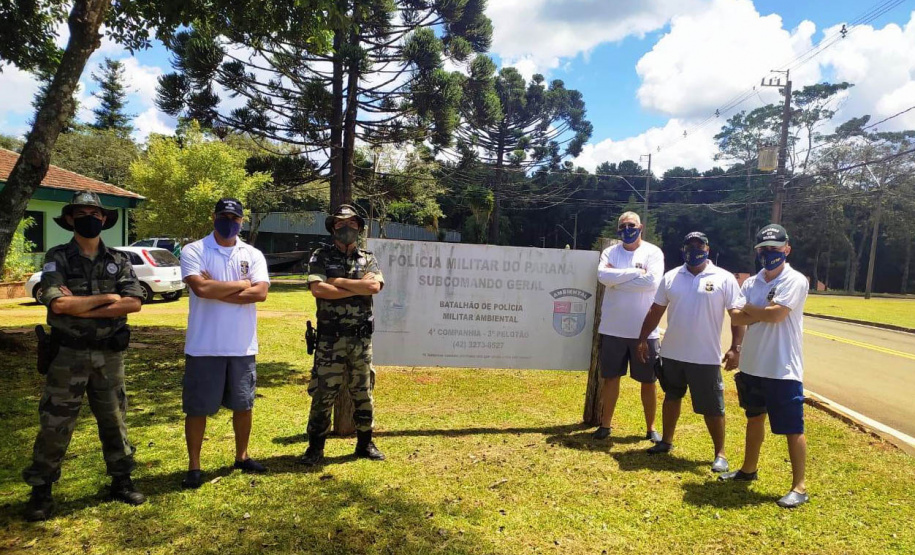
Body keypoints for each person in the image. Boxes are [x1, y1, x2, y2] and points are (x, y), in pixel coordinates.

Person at [23, 191, 145, 521]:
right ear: (71, 219)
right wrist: (108, 297)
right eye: (82, 213)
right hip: (67, 356)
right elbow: (56, 304)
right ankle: (41, 490)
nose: (89, 217)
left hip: (109, 356)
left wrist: (82, 307)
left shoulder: (119, 259)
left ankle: (121, 480)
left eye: (95, 212)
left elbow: (134, 302)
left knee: (115, 420)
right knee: (55, 424)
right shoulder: (57, 257)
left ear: (104, 219)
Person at [179, 198, 270, 489]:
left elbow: (261, 293)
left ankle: (241, 456)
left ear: (242, 221)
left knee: (244, 405)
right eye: (224, 216)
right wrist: (243, 284)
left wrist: (216, 288)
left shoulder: (252, 254)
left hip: (242, 346)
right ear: (214, 217)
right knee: (197, 409)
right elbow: (200, 287)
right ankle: (195, 466)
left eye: (234, 217)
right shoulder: (195, 249)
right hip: (204, 346)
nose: (229, 221)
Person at [636, 231, 744, 473]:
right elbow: (656, 310)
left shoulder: (724, 278)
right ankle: (666, 441)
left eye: (699, 246)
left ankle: (720, 454)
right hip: (673, 354)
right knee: (671, 397)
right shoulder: (672, 277)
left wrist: (736, 348)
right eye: (690, 246)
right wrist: (642, 338)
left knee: (713, 407)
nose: (694, 250)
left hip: (705, 357)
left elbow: (736, 316)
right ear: (683, 250)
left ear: (708, 248)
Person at [719, 224, 810, 509]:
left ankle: (799, 486)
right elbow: (736, 317)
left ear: (787, 249)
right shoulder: (752, 282)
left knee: (792, 427)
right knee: (754, 417)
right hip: (753, 365)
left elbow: (777, 315)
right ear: (757, 252)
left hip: (782, 367)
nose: (769, 254)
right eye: (763, 249)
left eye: (775, 248)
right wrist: (760, 314)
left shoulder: (795, 280)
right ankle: (748, 469)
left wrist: (753, 312)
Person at [301, 205, 385, 465]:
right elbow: (318, 290)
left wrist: (337, 281)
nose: (346, 228)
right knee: (324, 394)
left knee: (363, 391)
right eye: (339, 224)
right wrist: (358, 288)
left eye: (351, 224)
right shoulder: (321, 256)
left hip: (361, 340)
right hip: (330, 340)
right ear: (333, 228)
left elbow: (375, 286)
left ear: (359, 227)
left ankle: (364, 443)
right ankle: (315, 447)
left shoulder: (368, 258)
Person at [593, 211, 665, 443]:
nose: (627, 229)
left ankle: (651, 428)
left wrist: (617, 281)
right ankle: (605, 425)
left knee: (648, 381)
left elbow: (652, 282)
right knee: (611, 378)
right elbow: (603, 276)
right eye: (622, 226)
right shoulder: (610, 252)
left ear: (640, 226)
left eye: (631, 225)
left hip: (645, 331)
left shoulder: (653, 252)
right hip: (613, 328)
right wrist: (635, 272)